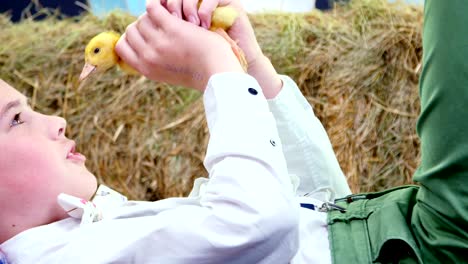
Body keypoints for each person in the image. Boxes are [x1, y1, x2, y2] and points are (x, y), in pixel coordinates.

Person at [1, 0, 466, 262]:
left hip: (406, 232)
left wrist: (249, 64)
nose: (57, 120)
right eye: (16, 118)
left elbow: (320, 203)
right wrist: (217, 71)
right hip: (428, 243)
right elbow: (258, 222)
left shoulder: (92, 230)